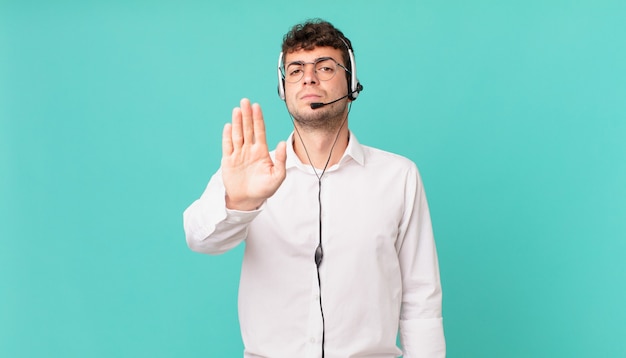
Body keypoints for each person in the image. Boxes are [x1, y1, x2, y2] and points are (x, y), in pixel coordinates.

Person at [183, 19, 445, 358]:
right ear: (282, 88)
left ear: (351, 81)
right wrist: (240, 202)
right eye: (295, 70)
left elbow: (421, 300)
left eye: (324, 67)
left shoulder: (399, 176)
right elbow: (199, 239)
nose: (308, 77)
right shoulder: (252, 173)